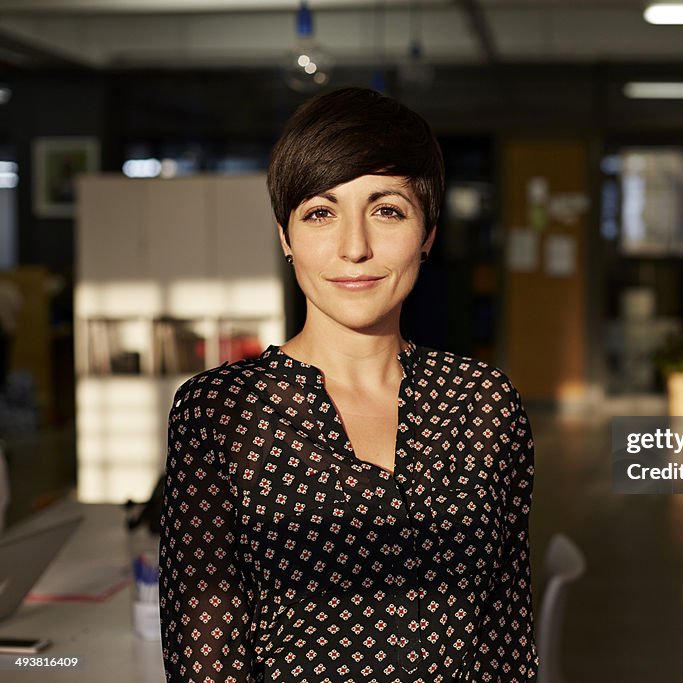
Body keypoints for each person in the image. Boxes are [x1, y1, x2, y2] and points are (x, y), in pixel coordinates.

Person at [159, 87, 538, 683]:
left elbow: (505, 638)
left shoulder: (484, 404)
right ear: (286, 236)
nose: (354, 247)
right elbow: (204, 653)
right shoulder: (222, 411)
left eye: (387, 210)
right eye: (320, 212)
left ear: (428, 231)